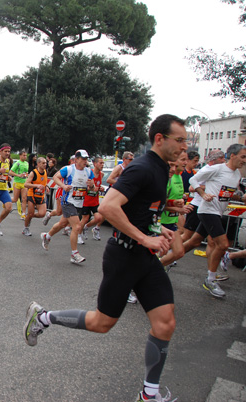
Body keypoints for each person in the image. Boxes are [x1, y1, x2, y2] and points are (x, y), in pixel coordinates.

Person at [24, 114, 187, 402]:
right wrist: (145, 237)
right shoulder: (143, 167)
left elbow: (140, 212)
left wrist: (162, 219)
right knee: (102, 323)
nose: (184, 147)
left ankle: (149, 394)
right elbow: (109, 206)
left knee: (166, 323)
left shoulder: (162, 170)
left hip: (145, 258)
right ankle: (44, 317)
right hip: (124, 255)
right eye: (180, 140)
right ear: (160, 139)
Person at [183, 143, 246, 298]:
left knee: (194, 242)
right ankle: (211, 279)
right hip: (207, 210)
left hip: (217, 212)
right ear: (232, 155)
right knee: (223, 244)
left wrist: (241, 197)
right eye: (243, 156)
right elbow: (193, 181)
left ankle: (164, 260)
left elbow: (228, 194)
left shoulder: (237, 175)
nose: (245, 160)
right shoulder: (217, 168)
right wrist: (203, 195)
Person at [40, 149, 95, 264]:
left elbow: (92, 188)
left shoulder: (89, 172)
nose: (85, 161)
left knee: (62, 224)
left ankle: (47, 236)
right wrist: (63, 186)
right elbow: (55, 177)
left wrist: (91, 186)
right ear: (77, 159)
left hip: (79, 203)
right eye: (83, 159)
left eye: (86, 159)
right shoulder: (69, 169)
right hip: (68, 201)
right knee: (77, 227)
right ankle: (74, 254)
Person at [78, 156, 106, 242]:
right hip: (86, 200)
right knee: (85, 218)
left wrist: (100, 188)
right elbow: (85, 186)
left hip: (95, 201)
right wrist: (92, 188)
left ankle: (86, 227)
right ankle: (78, 235)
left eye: (103, 163)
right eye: (100, 163)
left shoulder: (101, 174)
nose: (102, 165)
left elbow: (97, 186)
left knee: (98, 218)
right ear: (95, 164)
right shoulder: (89, 173)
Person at [22, 157, 50, 236]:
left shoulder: (45, 171)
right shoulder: (33, 173)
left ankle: (29, 217)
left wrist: (46, 186)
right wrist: (36, 185)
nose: (45, 164)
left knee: (42, 214)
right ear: (38, 164)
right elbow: (26, 184)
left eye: (45, 163)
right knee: (31, 213)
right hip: (32, 194)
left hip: (41, 195)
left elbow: (43, 182)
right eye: (43, 163)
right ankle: (26, 228)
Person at [11, 151, 29, 219]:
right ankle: (6, 201)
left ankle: (23, 213)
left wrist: (26, 175)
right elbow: (11, 172)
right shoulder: (17, 163)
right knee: (15, 199)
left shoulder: (27, 163)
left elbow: (27, 172)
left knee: (24, 199)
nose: (25, 157)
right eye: (24, 155)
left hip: (24, 182)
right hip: (17, 182)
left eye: (26, 155)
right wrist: (18, 175)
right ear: (20, 156)